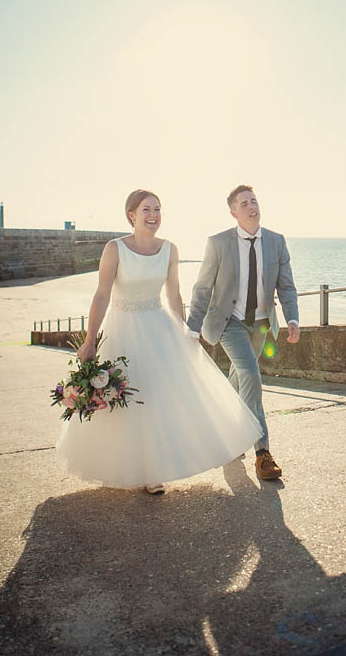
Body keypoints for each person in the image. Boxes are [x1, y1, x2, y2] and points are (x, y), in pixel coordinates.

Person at [56, 190, 262, 494]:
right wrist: (89, 340)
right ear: (131, 216)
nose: (153, 215)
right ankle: (126, 466)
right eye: (146, 210)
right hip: (121, 327)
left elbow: (174, 294)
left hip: (157, 326)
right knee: (123, 399)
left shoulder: (169, 249)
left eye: (157, 210)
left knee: (154, 397)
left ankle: (153, 472)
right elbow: (101, 295)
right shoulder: (115, 249)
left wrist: (185, 332)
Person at [187, 185, 299, 480]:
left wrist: (293, 319)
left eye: (254, 201)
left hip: (261, 322)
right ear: (233, 212)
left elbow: (285, 286)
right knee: (250, 373)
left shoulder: (276, 241)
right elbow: (202, 287)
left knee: (238, 377)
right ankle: (263, 453)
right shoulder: (219, 243)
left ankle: (227, 435)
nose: (252, 207)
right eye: (244, 203)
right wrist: (192, 327)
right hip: (230, 322)